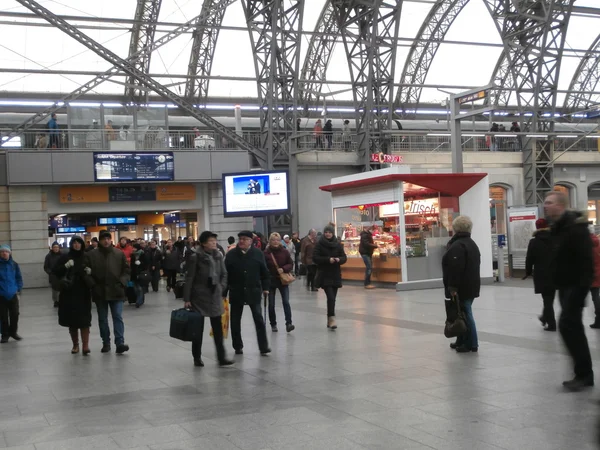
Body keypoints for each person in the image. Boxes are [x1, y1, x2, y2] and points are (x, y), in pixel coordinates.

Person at [544, 191, 594, 390]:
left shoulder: (575, 228)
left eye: (549, 203)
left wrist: (581, 289)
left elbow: (585, 262)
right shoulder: (558, 227)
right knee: (571, 328)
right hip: (564, 286)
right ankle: (583, 373)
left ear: (560, 205)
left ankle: (584, 374)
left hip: (575, 286)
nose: (545, 206)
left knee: (568, 325)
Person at [184, 231, 234, 367]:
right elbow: (190, 278)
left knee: (218, 328)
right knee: (197, 329)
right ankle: (197, 357)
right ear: (204, 243)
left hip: (214, 295)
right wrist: (187, 298)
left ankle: (221, 357)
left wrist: (221, 287)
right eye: (211, 241)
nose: (214, 243)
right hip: (199, 296)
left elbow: (224, 273)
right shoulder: (196, 257)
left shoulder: (218, 255)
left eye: (215, 241)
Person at [84, 230, 130, 354]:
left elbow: (126, 270)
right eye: (103, 239)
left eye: (108, 238)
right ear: (99, 240)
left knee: (117, 317)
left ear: (111, 240)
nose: (106, 241)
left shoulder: (118, 254)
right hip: (100, 291)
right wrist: (93, 284)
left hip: (116, 290)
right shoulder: (92, 255)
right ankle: (106, 342)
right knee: (103, 319)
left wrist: (122, 282)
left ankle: (119, 342)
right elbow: (86, 273)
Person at [225, 230, 271, 356]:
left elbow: (265, 273)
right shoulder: (231, 255)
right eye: (240, 239)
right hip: (236, 291)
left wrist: (266, 288)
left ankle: (263, 346)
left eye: (245, 239)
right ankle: (237, 346)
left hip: (253, 291)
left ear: (251, 241)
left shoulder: (258, 254)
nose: (241, 241)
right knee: (235, 321)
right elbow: (225, 275)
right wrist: (223, 293)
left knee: (259, 319)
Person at [442, 216, 481, 353]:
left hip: (462, 287)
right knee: (461, 313)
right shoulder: (471, 243)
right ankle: (462, 340)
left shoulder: (458, 246)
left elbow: (455, 269)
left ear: (456, 228)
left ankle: (472, 343)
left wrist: (452, 287)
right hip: (471, 285)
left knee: (466, 314)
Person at [52, 236, 92, 355]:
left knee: (84, 320)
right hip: (69, 292)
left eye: (78, 243)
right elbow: (55, 272)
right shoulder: (65, 257)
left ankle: (86, 345)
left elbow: (95, 270)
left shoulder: (87, 256)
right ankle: (75, 345)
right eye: (74, 243)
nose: (76, 245)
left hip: (83, 291)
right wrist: (65, 266)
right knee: (72, 320)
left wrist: (90, 271)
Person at [523, 218, 556, 331]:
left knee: (546, 299)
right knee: (549, 299)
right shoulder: (554, 239)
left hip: (541, 274)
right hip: (554, 273)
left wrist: (527, 272)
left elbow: (529, 259)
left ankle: (551, 324)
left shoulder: (534, 242)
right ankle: (544, 317)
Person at [312, 224, 347, 329]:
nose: (328, 234)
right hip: (325, 274)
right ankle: (332, 318)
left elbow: (344, 257)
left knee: (333, 299)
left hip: (335, 274)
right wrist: (328, 259)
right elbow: (315, 258)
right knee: (330, 297)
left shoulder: (338, 244)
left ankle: (329, 319)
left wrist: (338, 260)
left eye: (330, 232)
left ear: (333, 233)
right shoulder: (319, 244)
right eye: (326, 232)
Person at [264, 233, 295, 333]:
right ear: (270, 241)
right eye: (273, 240)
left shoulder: (284, 251)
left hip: (283, 280)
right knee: (271, 304)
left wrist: (284, 269)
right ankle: (273, 324)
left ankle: (288, 323)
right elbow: (263, 267)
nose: (275, 242)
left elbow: (291, 263)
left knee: (286, 301)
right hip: (271, 280)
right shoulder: (266, 253)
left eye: (277, 240)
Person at [0, 245, 23, 343]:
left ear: (9, 253)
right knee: (3, 316)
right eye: (2, 252)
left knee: (15, 314)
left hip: (13, 294)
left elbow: (19, 278)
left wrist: (17, 288)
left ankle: (13, 332)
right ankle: (5, 335)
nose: (4, 253)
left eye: (6, 251)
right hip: (1, 295)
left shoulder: (14, 264)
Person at [44, 241, 63, 308]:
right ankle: (55, 301)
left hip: (61, 275)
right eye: (54, 247)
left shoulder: (62, 255)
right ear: (52, 248)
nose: (56, 248)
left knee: (61, 289)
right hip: (53, 275)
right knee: (54, 289)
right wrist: (50, 273)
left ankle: (61, 300)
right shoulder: (48, 256)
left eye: (57, 247)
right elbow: (46, 267)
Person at [130, 243, 148, 308]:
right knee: (135, 288)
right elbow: (131, 265)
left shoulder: (142, 254)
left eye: (134, 248)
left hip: (141, 274)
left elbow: (146, 264)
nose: (133, 249)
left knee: (140, 288)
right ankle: (139, 299)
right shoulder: (132, 255)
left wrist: (140, 264)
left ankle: (139, 301)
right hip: (134, 274)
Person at [589, 234, 600, 329]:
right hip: (598, 273)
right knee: (596, 296)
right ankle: (598, 320)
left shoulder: (586, 245)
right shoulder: (598, 243)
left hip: (588, 274)